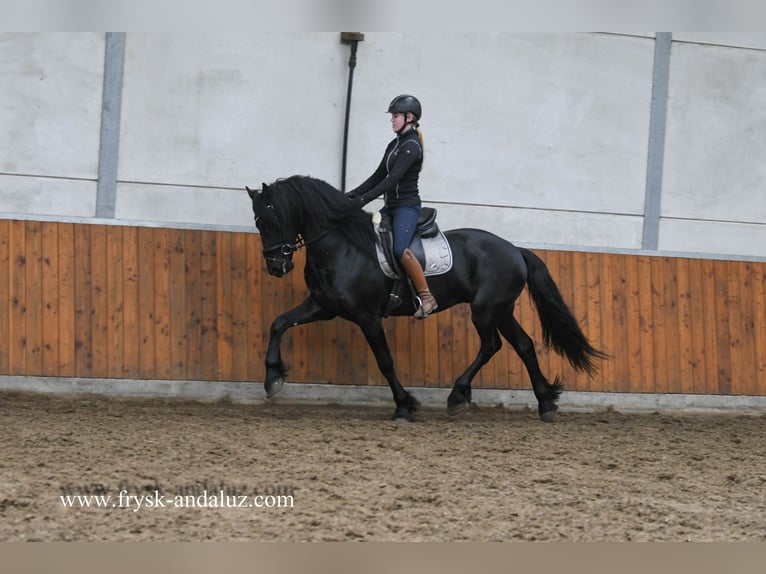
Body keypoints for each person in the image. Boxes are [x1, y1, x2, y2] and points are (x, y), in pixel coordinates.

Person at [346, 94, 438, 319]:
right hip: (391, 206)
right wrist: (351, 196)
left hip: (406, 208)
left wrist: (363, 201)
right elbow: (378, 175)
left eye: (395, 116)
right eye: (393, 117)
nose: (392, 120)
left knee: (399, 249)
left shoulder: (412, 146)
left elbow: (392, 180)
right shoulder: (394, 144)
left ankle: (427, 297)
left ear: (409, 117)